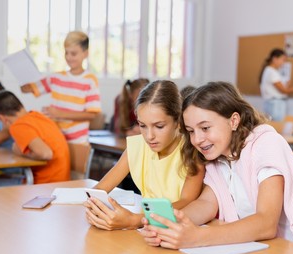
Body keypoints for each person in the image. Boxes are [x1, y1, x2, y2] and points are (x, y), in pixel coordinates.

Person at [140, 81, 293, 249]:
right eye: (190, 131)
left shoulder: (265, 144)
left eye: (205, 128)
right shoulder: (218, 157)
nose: (197, 139)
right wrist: (168, 226)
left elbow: (266, 223)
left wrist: (198, 237)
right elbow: (206, 204)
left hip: (289, 250)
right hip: (253, 246)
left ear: (234, 121)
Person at [84, 80, 205, 230]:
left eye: (159, 126)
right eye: (142, 125)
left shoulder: (192, 152)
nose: (149, 136)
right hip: (146, 230)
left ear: (178, 121)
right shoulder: (137, 146)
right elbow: (99, 190)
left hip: (176, 228)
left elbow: (187, 201)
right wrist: (94, 207)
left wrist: (135, 220)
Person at [20, 30, 101, 143]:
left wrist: (59, 114)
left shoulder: (90, 80)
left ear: (85, 54)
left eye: (73, 53)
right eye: (66, 53)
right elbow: (29, 88)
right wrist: (24, 84)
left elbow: (91, 115)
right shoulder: (56, 77)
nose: (68, 57)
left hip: (78, 141)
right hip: (56, 137)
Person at [0, 90, 70, 184]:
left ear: (2, 118)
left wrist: (21, 152)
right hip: (63, 181)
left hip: (45, 184)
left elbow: (45, 154)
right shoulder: (38, 116)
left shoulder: (18, 125)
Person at [259, 48, 293, 121]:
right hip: (274, 104)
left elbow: (282, 89)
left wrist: (286, 84)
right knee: (277, 127)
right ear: (275, 59)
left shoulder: (273, 71)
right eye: (283, 60)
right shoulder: (271, 72)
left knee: (278, 126)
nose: (283, 63)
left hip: (276, 104)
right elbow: (284, 91)